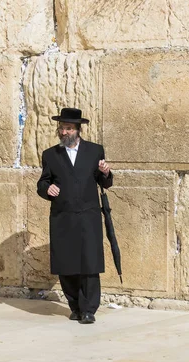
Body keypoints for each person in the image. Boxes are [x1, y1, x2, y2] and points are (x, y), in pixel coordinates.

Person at [37, 108, 113, 324]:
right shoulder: (50, 154)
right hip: (63, 216)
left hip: (88, 216)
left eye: (68, 128)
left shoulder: (94, 151)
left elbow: (104, 182)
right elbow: (43, 182)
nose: (64, 132)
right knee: (66, 263)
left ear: (78, 130)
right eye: (61, 128)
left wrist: (106, 172)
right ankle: (75, 306)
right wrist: (47, 189)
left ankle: (89, 309)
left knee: (89, 264)